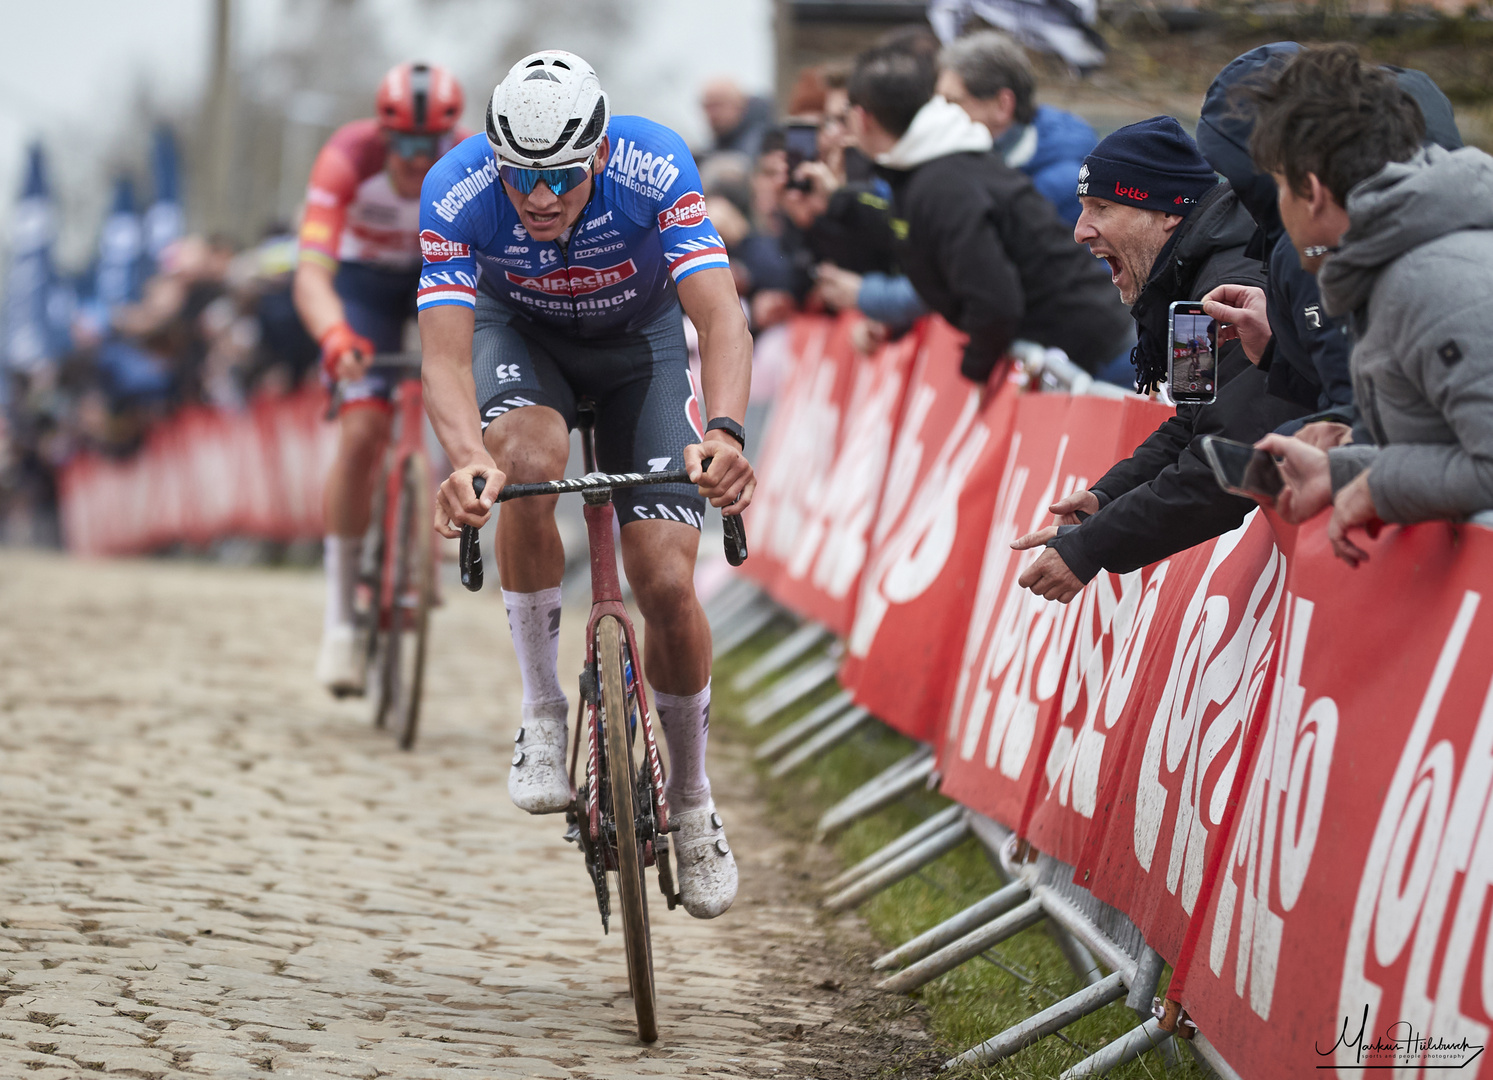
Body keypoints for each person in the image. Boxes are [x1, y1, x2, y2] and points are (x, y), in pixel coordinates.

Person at [417, 51, 754, 919]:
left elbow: (718, 314)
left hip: (639, 348)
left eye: (560, 177)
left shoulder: (654, 162)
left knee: (668, 581)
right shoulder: (456, 188)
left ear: (598, 155)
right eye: (521, 177)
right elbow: (446, 358)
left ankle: (691, 801)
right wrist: (466, 457)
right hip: (521, 339)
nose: (537, 197)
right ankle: (540, 708)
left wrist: (723, 431)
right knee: (523, 465)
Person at [1013, 116, 1308, 601]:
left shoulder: (1225, 288)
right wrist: (1107, 499)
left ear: (1167, 213)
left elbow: (1225, 465)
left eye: (1101, 208)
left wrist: (1092, 547)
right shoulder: (1187, 283)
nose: (1080, 230)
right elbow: (1193, 422)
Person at [1241, 45, 1493, 562]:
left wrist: (1378, 487)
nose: (1281, 209)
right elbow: (1454, 451)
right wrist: (1343, 473)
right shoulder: (1401, 263)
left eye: (1280, 187)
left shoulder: (1434, 280)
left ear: (1311, 192)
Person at [295, 62, 467, 693]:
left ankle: (442, 519)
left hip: (433, 282)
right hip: (362, 288)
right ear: (383, 135)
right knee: (363, 430)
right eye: (406, 146)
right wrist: (336, 337)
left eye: (432, 146)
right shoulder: (347, 154)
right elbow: (311, 273)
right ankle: (340, 620)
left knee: (466, 383)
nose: (418, 160)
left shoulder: (468, 162)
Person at [1196, 43, 1465, 443]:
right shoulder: (1435, 220)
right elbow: (1377, 403)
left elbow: (1446, 450)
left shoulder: (1323, 248)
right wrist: (1277, 351)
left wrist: (1298, 456)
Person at [846, 45, 1132, 383]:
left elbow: (992, 297)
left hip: (1098, 356)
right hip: (1082, 346)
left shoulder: (944, 183)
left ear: (863, 117)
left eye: (953, 101)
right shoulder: (929, 172)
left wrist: (975, 368)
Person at [937, 30, 1096, 226]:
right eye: (937, 100)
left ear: (1002, 105)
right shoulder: (964, 154)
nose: (939, 112)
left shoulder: (1064, 187)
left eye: (953, 101)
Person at [699, 77, 775, 161]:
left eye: (717, 105)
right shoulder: (720, 140)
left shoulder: (762, 139)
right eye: (707, 106)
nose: (712, 113)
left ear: (739, 105)